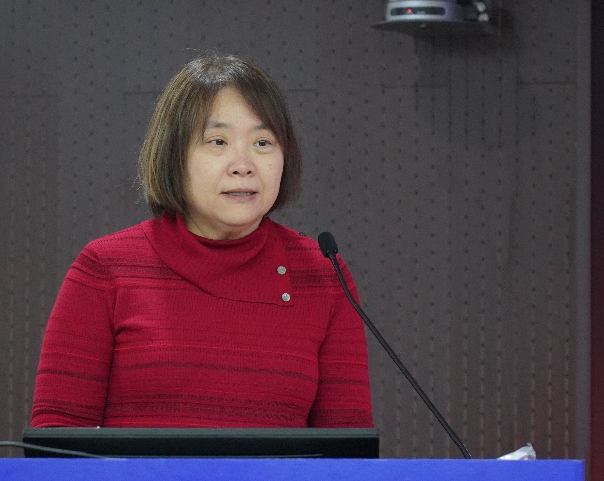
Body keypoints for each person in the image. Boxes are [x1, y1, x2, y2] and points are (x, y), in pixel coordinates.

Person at [30, 54, 373, 428]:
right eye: (218, 141)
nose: (243, 165)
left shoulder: (323, 275)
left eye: (263, 142)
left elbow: (348, 446)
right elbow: (58, 438)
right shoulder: (107, 269)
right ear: (175, 155)